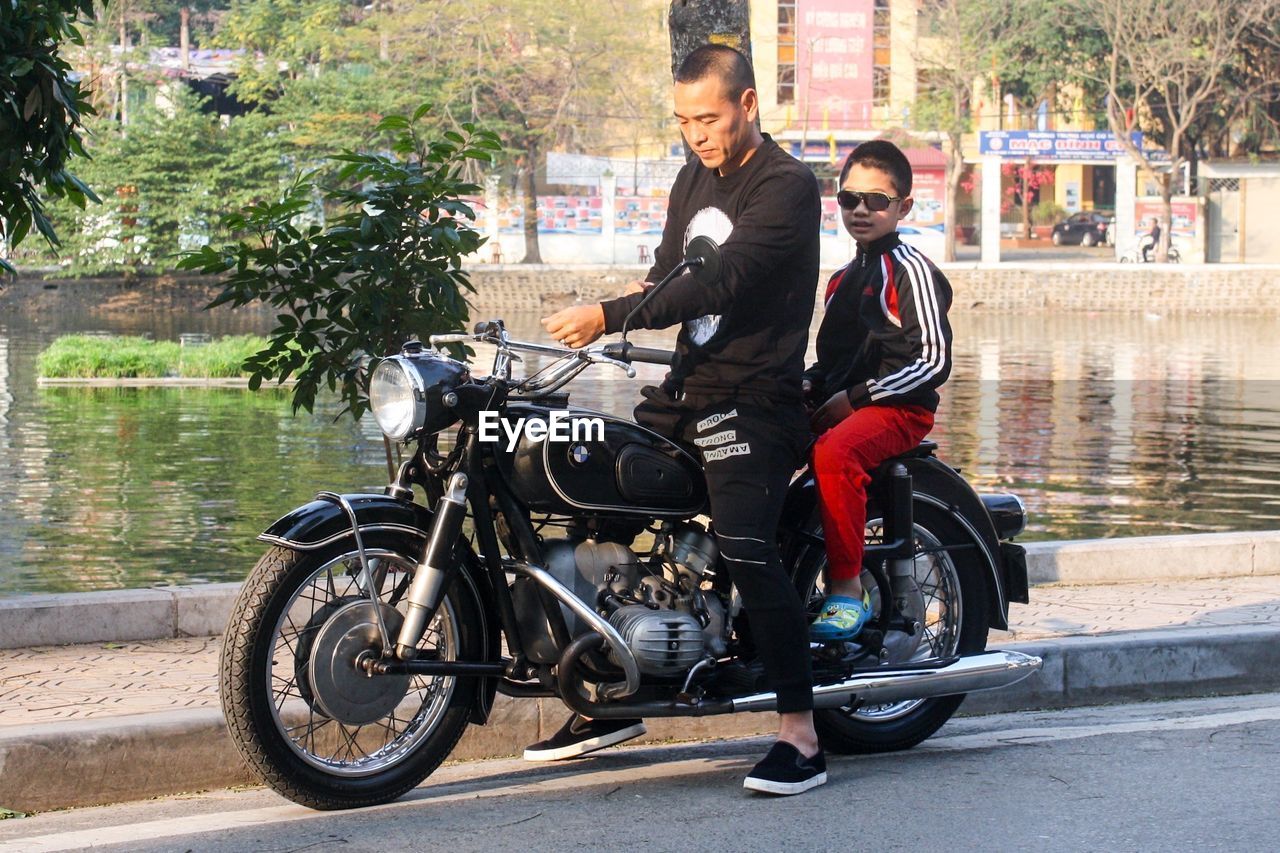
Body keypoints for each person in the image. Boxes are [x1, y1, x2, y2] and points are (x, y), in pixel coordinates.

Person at [536, 44, 826, 795]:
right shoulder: (693, 177)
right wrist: (603, 309)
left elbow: (714, 280)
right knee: (587, 494)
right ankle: (608, 691)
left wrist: (607, 315)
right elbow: (668, 274)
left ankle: (801, 733)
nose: (695, 133)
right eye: (683, 120)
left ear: (748, 105)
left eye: (708, 117)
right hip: (688, 391)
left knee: (742, 539)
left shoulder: (787, 187)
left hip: (756, 401)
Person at [803, 140, 953, 642]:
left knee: (833, 453)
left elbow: (932, 362)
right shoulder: (842, 279)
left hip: (900, 408)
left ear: (903, 207)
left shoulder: (912, 271)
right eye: (850, 200)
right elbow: (833, 363)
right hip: (849, 402)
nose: (861, 210)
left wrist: (857, 398)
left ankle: (847, 588)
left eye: (877, 200)